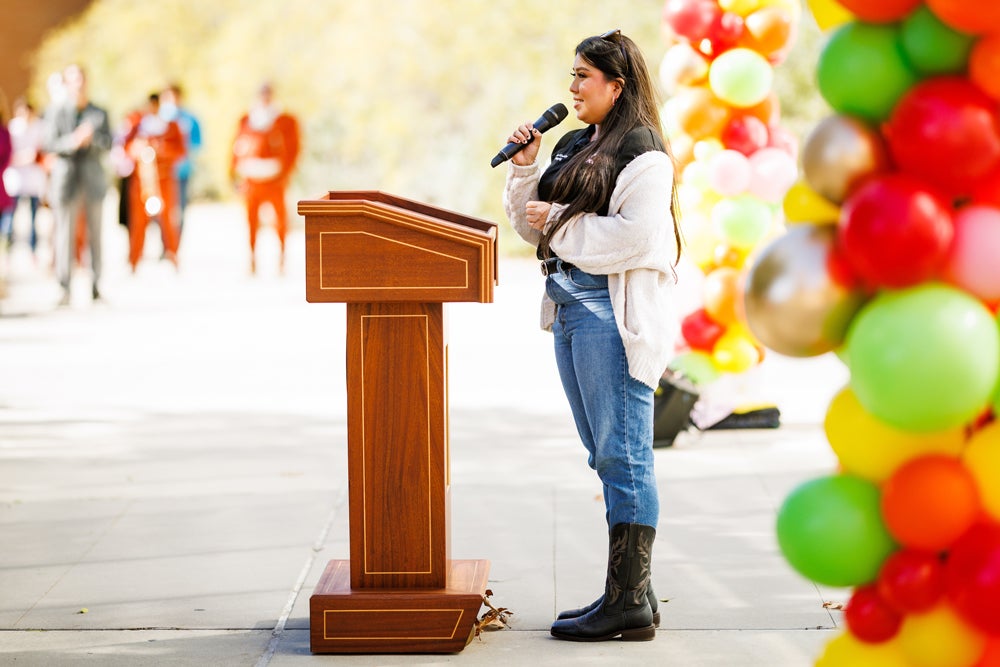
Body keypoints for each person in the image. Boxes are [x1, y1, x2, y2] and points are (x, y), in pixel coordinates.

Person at [501, 29, 682, 643]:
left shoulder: (644, 155)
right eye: (571, 74)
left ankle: (626, 600)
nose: (572, 86)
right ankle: (635, 594)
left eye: (583, 75)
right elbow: (533, 229)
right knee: (603, 452)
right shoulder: (577, 143)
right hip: (570, 311)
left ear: (617, 84)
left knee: (624, 455)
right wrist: (526, 173)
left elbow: (633, 238)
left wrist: (557, 225)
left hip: (612, 317)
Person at [43, 64, 112, 304]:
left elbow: (108, 143)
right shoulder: (55, 112)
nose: (78, 84)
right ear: (67, 83)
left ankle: (96, 286)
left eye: (81, 79)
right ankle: (64, 288)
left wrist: (90, 141)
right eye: (73, 80)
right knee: (64, 235)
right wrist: (73, 141)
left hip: (93, 181)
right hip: (66, 182)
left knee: (96, 235)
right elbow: (49, 143)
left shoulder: (99, 113)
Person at [230, 82, 300, 274]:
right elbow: (236, 147)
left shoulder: (284, 120)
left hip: (274, 179)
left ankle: (282, 258)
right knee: (251, 221)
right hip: (251, 179)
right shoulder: (246, 119)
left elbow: (293, 148)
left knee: (280, 220)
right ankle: (252, 259)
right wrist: (233, 175)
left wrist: (284, 173)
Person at [122, 92, 184, 272]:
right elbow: (125, 147)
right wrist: (140, 150)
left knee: (168, 220)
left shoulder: (170, 126)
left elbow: (180, 150)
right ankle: (134, 260)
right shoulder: (138, 125)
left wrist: (160, 151)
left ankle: (173, 256)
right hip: (141, 181)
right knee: (138, 222)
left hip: (164, 179)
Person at [3, 98, 48, 254]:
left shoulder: (39, 127)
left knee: (34, 218)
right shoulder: (12, 129)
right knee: (11, 217)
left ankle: (33, 250)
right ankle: (7, 249)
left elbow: (42, 151)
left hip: (33, 179)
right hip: (15, 179)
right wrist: (23, 158)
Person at [159, 82, 201, 244]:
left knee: (179, 209)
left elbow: (196, 144)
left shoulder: (189, 120)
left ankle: (175, 245)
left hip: (182, 171)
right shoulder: (158, 118)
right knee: (160, 210)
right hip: (161, 172)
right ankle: (165, 244)